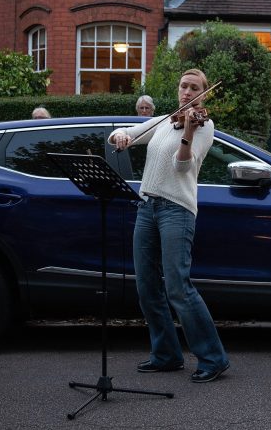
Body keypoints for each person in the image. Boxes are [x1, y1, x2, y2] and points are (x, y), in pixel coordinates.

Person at [109, 69, 230, 383]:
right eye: (183, 86)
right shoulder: (165, 119)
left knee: (177, 286)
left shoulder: (205, 127)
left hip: (177, 210)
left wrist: (188, 133)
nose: (187, 92)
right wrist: (121, 135)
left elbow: (182, 166)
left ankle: (213, 358)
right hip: (146, 206)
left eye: (193, 88)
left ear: (204, 94)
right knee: (146, 286)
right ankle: (166, 355)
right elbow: (125, 133)